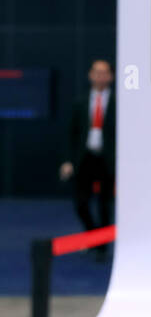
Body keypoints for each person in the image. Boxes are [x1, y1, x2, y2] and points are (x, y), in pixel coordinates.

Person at [59, 59, 116, 257]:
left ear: (111, 76)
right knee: (81, 203)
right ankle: (93, 236)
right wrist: (67, 161)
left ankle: (101, 247)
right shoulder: (80, 102)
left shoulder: (120, 102)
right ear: (90, 75)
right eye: (96, 72)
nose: (100, 76)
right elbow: (71, 133)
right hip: (85, 158)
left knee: (105, 205)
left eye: (104, 72)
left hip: (108, 160)